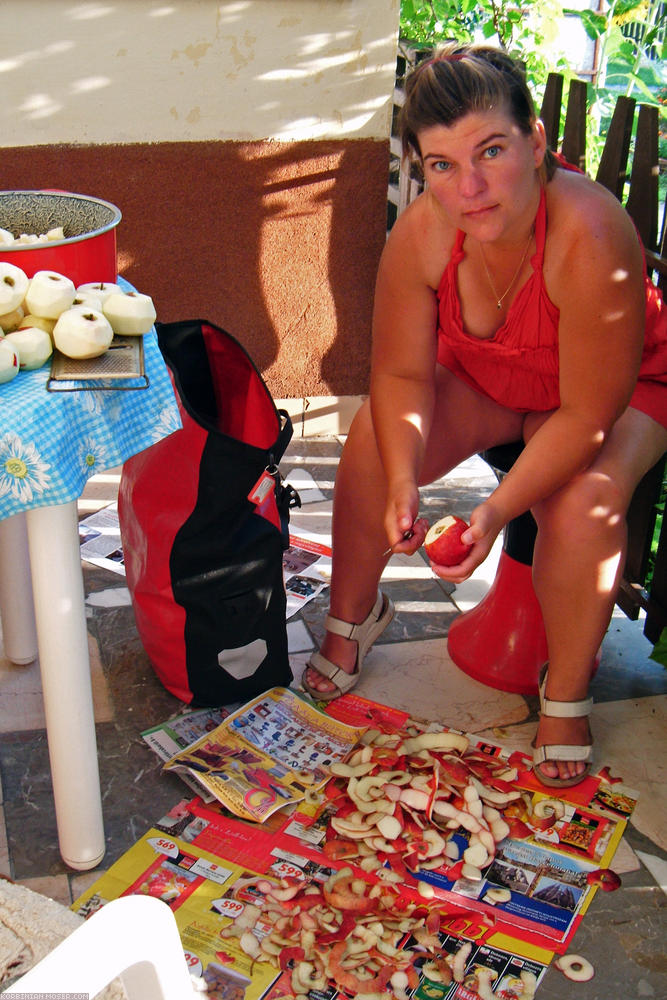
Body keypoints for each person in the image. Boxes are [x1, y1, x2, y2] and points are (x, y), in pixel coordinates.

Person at [302, 43, 667, 789]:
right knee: (376, 437)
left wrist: (494, 510)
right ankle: (353, 617)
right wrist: (404, 479)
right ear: (420, 170)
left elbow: (585, 418)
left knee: (583, 500)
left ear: (535, 144)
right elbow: (402, 373)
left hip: (618, 393)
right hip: (498, 378)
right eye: (440, 165)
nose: (468, 187)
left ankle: (564, 692)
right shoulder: (423, 234)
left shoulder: (591, 235)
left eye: (490, 151)